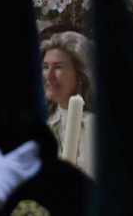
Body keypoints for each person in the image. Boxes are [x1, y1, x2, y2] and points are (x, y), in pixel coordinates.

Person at [39, 32, 95, 178]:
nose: (49, 76)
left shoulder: (95, 128)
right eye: (45, 67)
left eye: (58, 67)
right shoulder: (40, 123)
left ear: (81, 74)